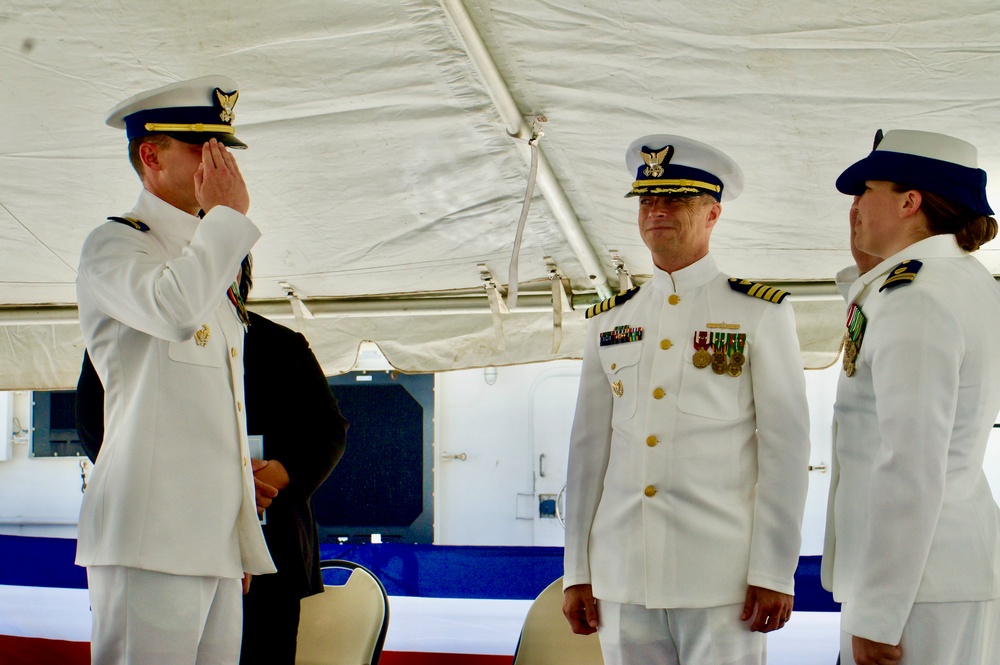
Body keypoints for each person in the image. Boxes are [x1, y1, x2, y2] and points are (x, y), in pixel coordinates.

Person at [562, 134, 811, 665]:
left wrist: (773, 570)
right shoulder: (611, 319)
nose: (656, 211)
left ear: (713, 213)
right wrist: (577, 571)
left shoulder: (758, 312)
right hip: (623, 573)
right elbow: (587, 454)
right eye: (647, 200)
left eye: (675, 199)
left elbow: (786, 452)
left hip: (721, 578)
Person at [75, 75, 273, 664]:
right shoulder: (114, 246)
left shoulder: (212, 258)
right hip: (148, 536)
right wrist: (226, 222)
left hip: (210, 540)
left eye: (225, 150)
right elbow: (174, 311)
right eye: (201, 147)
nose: (220, 165)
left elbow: (221, 408)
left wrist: (233, 541)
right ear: (150, 155)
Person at [75, 258, 349, 664]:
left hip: (271, 548)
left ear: (242, 276)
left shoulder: (281, 343)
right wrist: (195, 481)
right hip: (161, 544)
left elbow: (327, 429)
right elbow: (95, 428)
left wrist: (278, 475)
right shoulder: (128, 336)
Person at [821, 129, 1000, 665]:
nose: (854, 206)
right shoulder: (959, 280)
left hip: (915, 590)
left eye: (865, 190)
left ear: (909, 201)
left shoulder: (915, 296)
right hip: (941, 575)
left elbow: (912, 463)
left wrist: (878, 612)